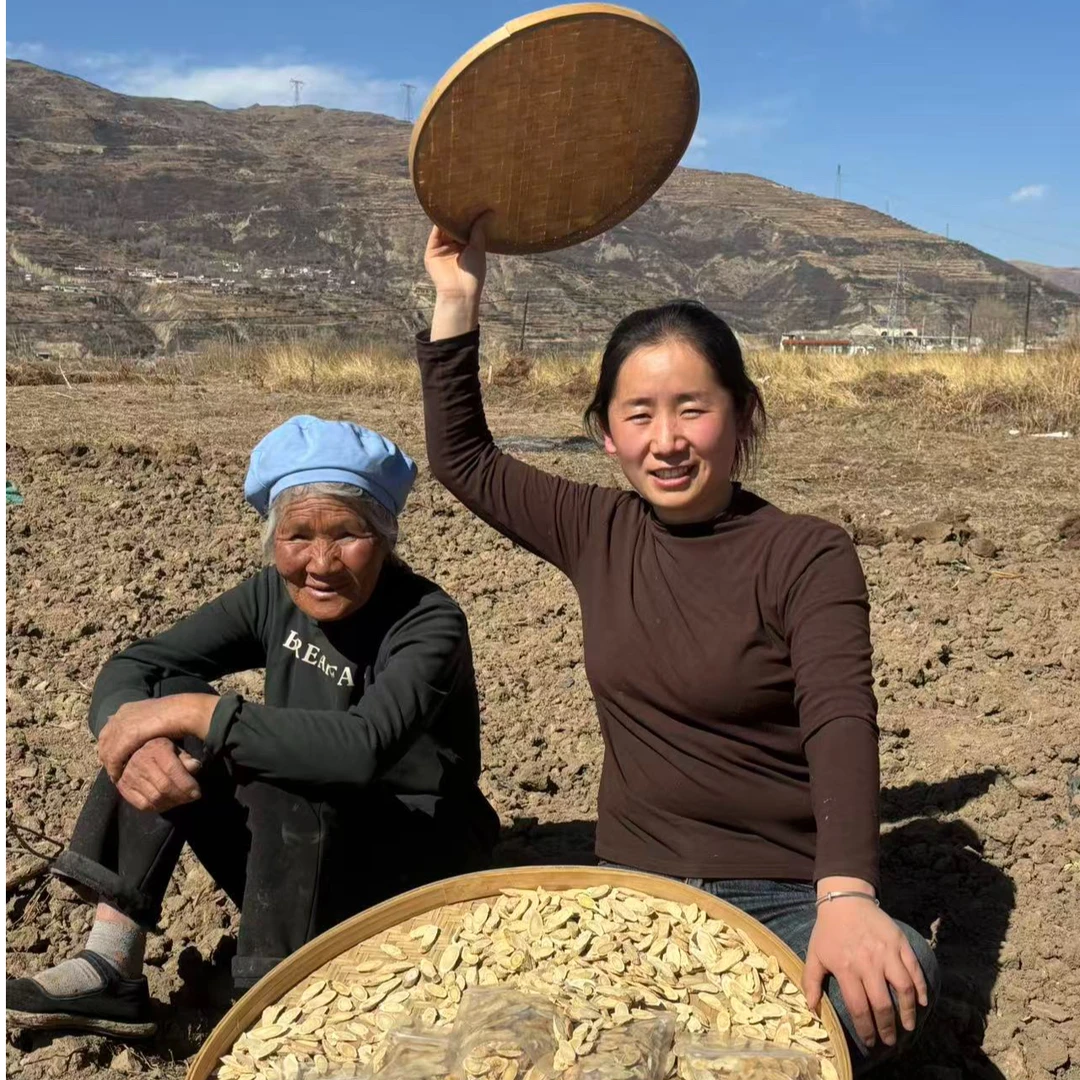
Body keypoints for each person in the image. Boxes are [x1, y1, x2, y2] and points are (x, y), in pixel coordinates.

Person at [415, 218, 939, 1073]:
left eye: (693, 408)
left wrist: (846, 895)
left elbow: (840, 716)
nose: (666, 441)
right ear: (607, 432)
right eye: (640, 414)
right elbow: (464, 460)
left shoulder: (805, 552)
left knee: (890, 984)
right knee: (474, 1007)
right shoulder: (595, 528)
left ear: (742, 416)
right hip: (632, 893)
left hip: (782, 899)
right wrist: (457, 296)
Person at [6, 415, 499, 1037]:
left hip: (407, 875)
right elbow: (138, 666)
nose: (321, 563)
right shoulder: (273, 595)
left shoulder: (428, 622)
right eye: (298, 536)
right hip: (298, 858)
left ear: (385, 535)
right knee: (162, 716)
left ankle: (274, 1012)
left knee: (251, 752)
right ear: (272, 539)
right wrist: (133, 731)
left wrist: (196, 712)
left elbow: (361, 751)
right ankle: (112, 961)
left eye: (348, 534)